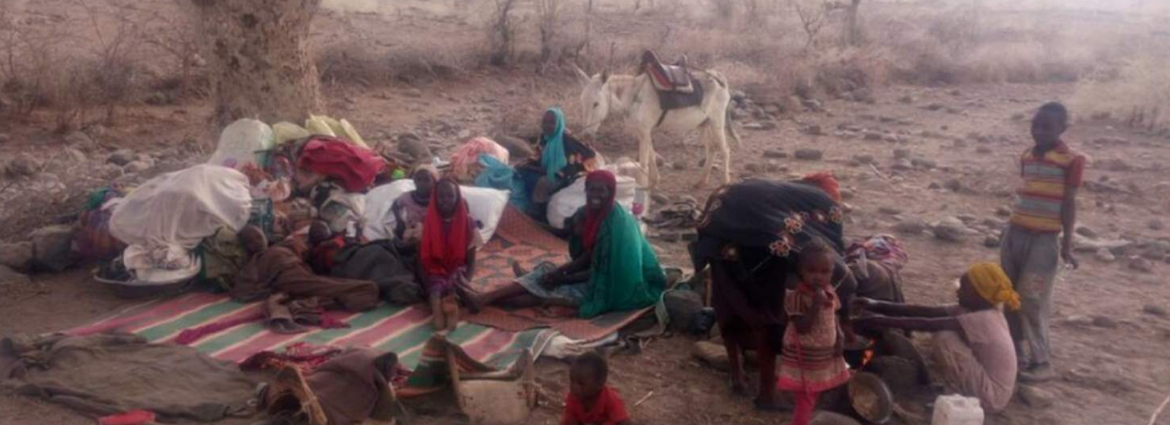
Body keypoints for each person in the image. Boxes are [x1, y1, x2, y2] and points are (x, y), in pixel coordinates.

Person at [690, 176, 856, 410]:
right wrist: (840, 313)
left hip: (721, 222)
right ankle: (766, 395)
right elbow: (826, 250)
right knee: (767, 313)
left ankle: (737, 375)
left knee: (726, 296)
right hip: (742, 219)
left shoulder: (784, 194)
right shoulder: (824, 204)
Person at [463, 170, 664, 318]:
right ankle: (485, 298)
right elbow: (590, 255)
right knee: (545, 276)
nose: (595, 195)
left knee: (543, 289)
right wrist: (561, 272)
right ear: (586, 190)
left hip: (618, 285)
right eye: (591, 190)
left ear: (610, 192)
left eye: (601, 190)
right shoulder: (594, 214)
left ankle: (484, 299)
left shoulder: (615, 225)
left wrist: (563, 279)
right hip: (600, 274)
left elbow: (603, 270)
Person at [852, 262, 1020, 412]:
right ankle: (959, 388)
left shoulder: (984, 319)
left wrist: (875, 320)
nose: (958, 290)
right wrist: (875, 305)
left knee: (945, 337)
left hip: (991, 395)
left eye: (964, 288)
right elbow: (925, 311)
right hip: (989, 384)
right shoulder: (976, 308)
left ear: (979, 294)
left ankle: (960, 392)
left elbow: (926, 324)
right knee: (945, 333)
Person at [1001, 101, 1085, 382]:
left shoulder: (1071, 160)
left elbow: (1069, 203)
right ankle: (1015, 353)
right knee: (1008, 294)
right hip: (1015, 234)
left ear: (1063, 128)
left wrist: (1067, 245)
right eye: (1035, 125)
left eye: (1047, 127)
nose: (1039, 131)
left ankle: (1042, 361)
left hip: (1044, 240)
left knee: (1033, 300)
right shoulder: (1026, 155)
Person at [232, 226, 379, 333]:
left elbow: (307, 253)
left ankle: (356, 295)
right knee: (360, 288)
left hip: (303, 274)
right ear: (247, 247)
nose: (257, 242)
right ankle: (360, 293)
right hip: (291, 279)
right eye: (251, 241)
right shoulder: (255, 262)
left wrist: (321, 246)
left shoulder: (282, 245)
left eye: (259, 236)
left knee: (327, 286)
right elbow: (244, 289)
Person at [777, 240, 851, 425]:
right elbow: (801, 327)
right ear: (801, 271)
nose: (818, 276)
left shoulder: (830, 291)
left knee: (812, 395)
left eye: (825, 271)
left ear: (832, 272)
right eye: (812, 270)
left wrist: (840, 336)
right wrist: (815, 306)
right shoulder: (796, 296)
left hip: (822, 355)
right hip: (805, 356)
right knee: (806, 397)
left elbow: (833, 315)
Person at [261, 349, 400, 425]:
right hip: (311, 407)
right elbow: (384, 419)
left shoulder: (339, 364)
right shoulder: (381, 389)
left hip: (305, 403)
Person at [420, 178, 480, 331]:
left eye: (450, 195)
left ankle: (452, 306)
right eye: (441, 196)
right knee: (435, 289)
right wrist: (425, 281)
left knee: (455, 285)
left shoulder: (468, 222)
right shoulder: (428, 220)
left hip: (457, 266)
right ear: (435, 198)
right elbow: (422, 254)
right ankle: (436, 310)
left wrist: (467, 282)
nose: (445, 200)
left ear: (457, 197)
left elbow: (471, 259)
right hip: (435, 266)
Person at [516, 107, 598, 218]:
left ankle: (540, 212)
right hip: (550, 171)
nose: (547, 125)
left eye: (552, 122)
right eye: (545, 121)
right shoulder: (545, 137)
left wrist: (578, 165)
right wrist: (525, 164)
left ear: (559, 123)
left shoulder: (567, 140)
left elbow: (587, 154)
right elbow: (537, 156)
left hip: (565, 176)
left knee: (543, 183)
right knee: (521, 171)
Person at [561, 352, 630, 425]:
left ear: (600, 383)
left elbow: (624, 421)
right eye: (572, 380)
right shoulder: (574, 397)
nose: (574, 387)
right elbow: (571, 420)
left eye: (581, 384)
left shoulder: (611, 399)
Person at [392, 165, 439, 244]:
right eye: (418, 179)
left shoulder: (438, 199)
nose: (422, 183)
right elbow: (395, 205)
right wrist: (399, 222)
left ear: (434, 182)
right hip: (410, 233)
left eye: (426, 180)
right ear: (414, 181)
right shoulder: (407, 197)